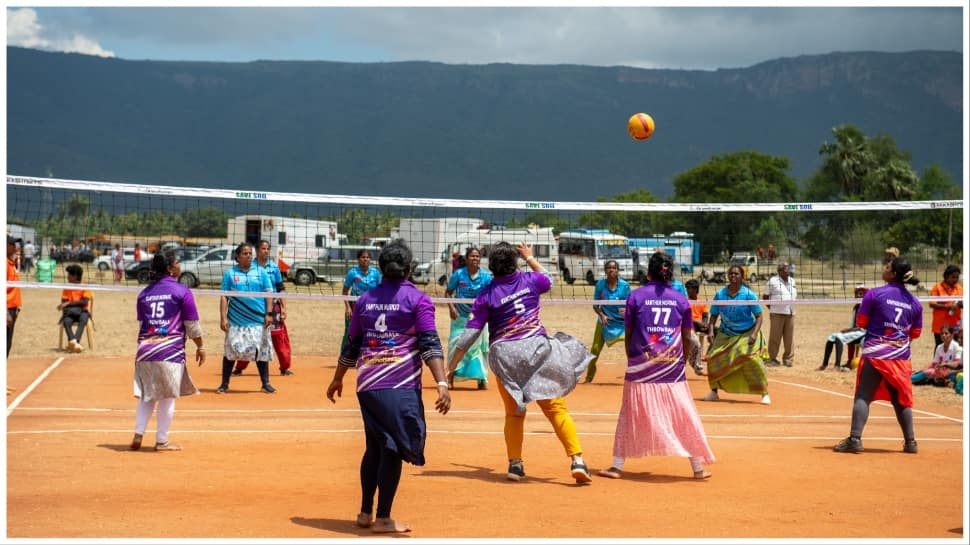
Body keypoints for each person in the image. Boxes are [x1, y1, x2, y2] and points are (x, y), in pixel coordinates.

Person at [326, 240, 451, 534]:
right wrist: (442, 382)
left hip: (367, 382)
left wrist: (337, 377)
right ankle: (383, 518)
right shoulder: (418, 300)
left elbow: (352, 345)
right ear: (409, 268)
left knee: (374, 446)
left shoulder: (365, 299)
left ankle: (365, 511)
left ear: (381, 268)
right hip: (399, 384)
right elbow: (429, 344)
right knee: (393, 448)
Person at [446, 242, 594, 484]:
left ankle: (515, 464)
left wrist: (451, 366)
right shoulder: (530, 280)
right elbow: (548, 278)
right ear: (515, 262)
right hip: (537, 351)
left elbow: (470, 333)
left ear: (491, 266)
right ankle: (577, 460)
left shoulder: (486, 293)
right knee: (555, 408)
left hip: (507, 357)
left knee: (514, 413)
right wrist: (530, 257)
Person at [597, 252, 715, 480]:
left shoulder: (636, 296)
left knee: (629, 415)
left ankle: (617, 466)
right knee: (684, 415)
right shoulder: (681, 299)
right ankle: (698, 468)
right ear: (669, 273)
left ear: (648, 272)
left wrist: (632, 358)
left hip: (641, 365)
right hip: (672, 367)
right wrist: (682, 361)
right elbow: (688, 336)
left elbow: (629, 332)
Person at [833, 256, 923, 454]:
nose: (884, 267)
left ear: (892, 274)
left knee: (863, 396)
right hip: (900, 358)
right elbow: (915, 334)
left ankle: (855, 440)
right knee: (901, 399)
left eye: (887, 266)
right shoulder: (915, 303)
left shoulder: (874, 294)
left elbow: (862, 322)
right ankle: (911, 443)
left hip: (875, 354)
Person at [131, 251, 206, 452]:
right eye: (177, 262)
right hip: (169, 351)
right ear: (170, 268)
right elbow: (192, 325)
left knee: (148, 395)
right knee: (167, 397)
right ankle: (162, 440)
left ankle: (139, 433)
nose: (180, 265)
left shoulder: (144, 293)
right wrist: (200, 346)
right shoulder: (182, 291)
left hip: (145, 349)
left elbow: (141, 324)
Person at [702, 264, 771, 405]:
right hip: (726, 332)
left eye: (736, 274)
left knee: (752, 359)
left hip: (747, 332)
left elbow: (759, 317)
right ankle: (714, 392)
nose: (733, 276)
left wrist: (754, 334)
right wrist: (710, 331)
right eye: (731, 274)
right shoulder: (720, 294)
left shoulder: (748, 295)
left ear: (742, 277)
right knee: (713, 357)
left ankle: (764, 393)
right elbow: (713, 316)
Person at [216, 242, 277, 394]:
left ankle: (265, 383)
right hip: (236, 320)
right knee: (231, 351)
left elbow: (269, 294)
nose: (249, 256)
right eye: (245, 253)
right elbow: (224, 297)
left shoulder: (261, 272)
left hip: (257, 320)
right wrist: (223, 318)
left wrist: (269, 314)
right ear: (237, 256)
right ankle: (224, 384)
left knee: (261, 351)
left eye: (250, 253)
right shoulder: (230, 274)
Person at [233, 240, 292, 376]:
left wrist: (283, 307)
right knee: (250, 336)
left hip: (273, 306)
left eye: (267, 249)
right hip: (256, 306)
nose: (266, 251)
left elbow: (280, 288)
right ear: (257, 250)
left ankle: (285, 367)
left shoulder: (274, 267)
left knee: (278, 336)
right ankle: (240, 367)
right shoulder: (250, 266)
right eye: (263, 248)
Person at [445, 246, 493, 389]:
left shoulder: (485, 277)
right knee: (455, 346)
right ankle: (450, 376)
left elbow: (491, 296)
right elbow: (448, 293)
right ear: (466, 259)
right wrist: (452, 307)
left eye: (477, 256)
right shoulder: (458, 274)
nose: (475, 259)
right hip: (460, 318)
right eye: (472, 256)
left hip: (479, 318)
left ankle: (482, 379)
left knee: (480, 347)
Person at [584, 260, 631, 383]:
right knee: (594, 349)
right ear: (605, 271)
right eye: (608, 268)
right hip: (605, 320)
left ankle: (634, 376)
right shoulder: (600, 285)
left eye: (613, 268)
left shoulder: (624, 286)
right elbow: (595, 305)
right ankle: (589, 378)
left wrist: (627, 312)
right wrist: (602, 315)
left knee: (631, 348)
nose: (611, 270)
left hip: (622, 322)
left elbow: (630, 304)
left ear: (617, 270)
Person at [818, 285, 868, 372]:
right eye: (856, 294)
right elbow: (853, 325)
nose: (858, 296)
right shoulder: (856, 308)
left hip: (864, 333)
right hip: (856, 331)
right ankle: (824, 365)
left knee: (839, 338)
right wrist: (849, 330)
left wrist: (848, 330)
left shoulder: (867, 308)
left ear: (865, 295)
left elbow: (863, 326)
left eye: (860, 294)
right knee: (831, 337)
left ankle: (837, 366)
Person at [341, 248, 381, 351]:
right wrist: (347, 307)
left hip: (371, 307)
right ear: (358, 259)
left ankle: (368, 354)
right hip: (355, 306)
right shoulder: (353, 273)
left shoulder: (375, 273)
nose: (365, 259)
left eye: (367, 257)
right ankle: (344, 354)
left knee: (370, 331)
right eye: (363, 257)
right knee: (349, 331)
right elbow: (344, 292)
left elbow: (381, 291)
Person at [763, 260, 796, 367]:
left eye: (789, 268)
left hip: (791, 313)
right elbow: (765, 298)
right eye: (786, 268)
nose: (789, 270)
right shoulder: (772, 281)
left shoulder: (792, 281)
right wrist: (773, 308)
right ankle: (772, 359)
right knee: (774, 337)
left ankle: (788, 359)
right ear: (780, 270)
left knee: (789, 338)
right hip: (777, 313)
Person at [58, 264, 93, 353]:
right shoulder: (67, 287)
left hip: (82, 311)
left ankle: (75, 342)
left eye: (70, 275)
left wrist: (69, 303)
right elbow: (63, 302)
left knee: (83, 319)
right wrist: (69, 304)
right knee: (66, 321)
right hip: (70, 313)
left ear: (75, 276)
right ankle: (74, 342)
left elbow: (84, 302)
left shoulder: (85, 286)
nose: (67, 277)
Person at [928, 265, 963, 347]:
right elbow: (932, 304)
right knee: (940, 348)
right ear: (947, 276)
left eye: (957, 277)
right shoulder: (937, 287)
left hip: (955, 325)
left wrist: (961, 304)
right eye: (953, 277)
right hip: (941, 326)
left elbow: (963, 303)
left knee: (956, 349)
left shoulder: (959, 288)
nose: (955, 279)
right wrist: (947, 307)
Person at [685, 279, 709, 376]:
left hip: (699, 324)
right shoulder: (685, 301)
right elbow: (685, 319)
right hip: (689, 324)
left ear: (695, 289)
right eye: (687, 288)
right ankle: (698, 367)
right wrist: (698, 323)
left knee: (717, 332)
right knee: (697, 344)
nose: (687, 290)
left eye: (689, 288)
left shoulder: (702, 301)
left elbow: (706, 316)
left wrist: (704, 324)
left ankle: (708, 354)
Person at [7, 235, 23, 359]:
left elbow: (14, 288)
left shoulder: (11, 263)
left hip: (12, 308)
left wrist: (17, 306)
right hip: (6, 309)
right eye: (12, 244)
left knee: (7, 344)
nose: (15, 247)